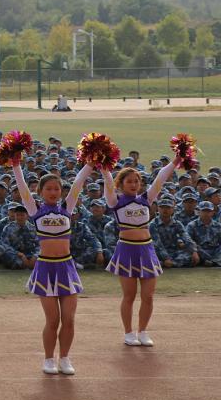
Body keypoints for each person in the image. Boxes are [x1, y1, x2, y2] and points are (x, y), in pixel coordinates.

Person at [12, 161, 93, 375]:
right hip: (46, 269)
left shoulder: (67, 208)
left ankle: (64, 358)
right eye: (48, 189)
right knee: (53, 320)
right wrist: (16, 165)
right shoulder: (36, 210)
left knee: (69, 319)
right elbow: (22, 188)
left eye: (57, 188)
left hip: (66, 268)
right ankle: (49, 359)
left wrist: (90, 164)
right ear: (40, 192)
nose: (53, 192)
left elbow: (78, 183)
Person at [102, 154, 179, 347]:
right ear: (121, 184)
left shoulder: (147, 198)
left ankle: (143, 331)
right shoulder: (115, 201)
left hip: (146, 250)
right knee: (129, 296)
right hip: (126, 250)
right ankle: (128, 333)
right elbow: (108, 182)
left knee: (148, 296)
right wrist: (103, 167)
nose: (134, 184)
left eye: (136, 181)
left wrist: (176, 161)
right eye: (129, 181)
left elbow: (161, 177)